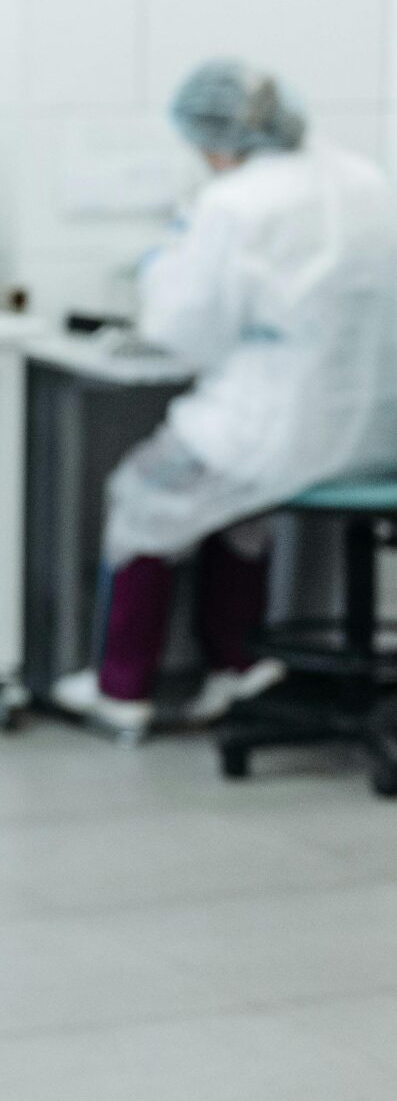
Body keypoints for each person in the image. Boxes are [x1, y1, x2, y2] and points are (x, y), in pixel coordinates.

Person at [54, 59, 397, 740]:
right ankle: (235, 665)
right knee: (235, 511)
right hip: (374, 432)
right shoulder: (364, 179)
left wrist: (158, 271)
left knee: (145, 494)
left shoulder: (233, 201)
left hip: (280, 424)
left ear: (210, 139)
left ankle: (121, 688)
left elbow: (179, 328)